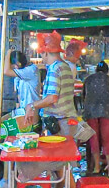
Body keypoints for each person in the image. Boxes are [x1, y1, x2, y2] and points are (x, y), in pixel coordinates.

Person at [24, 32, 98, 171]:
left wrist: (31, 105)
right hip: (66, 120)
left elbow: (52, 98)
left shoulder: (54, 68)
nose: (42, 58)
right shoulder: (65, 67)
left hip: (60, 122)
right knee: (61, 165)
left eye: (41, 54)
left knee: (58, 163)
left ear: (46, 52)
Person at [83, 61, 109, 178]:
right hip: (107, 111)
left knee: (94, 139)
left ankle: (96, 168)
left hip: (90, 112)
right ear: (106, 70)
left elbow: (83, 96)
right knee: (108, 139)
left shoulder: (88, 79)